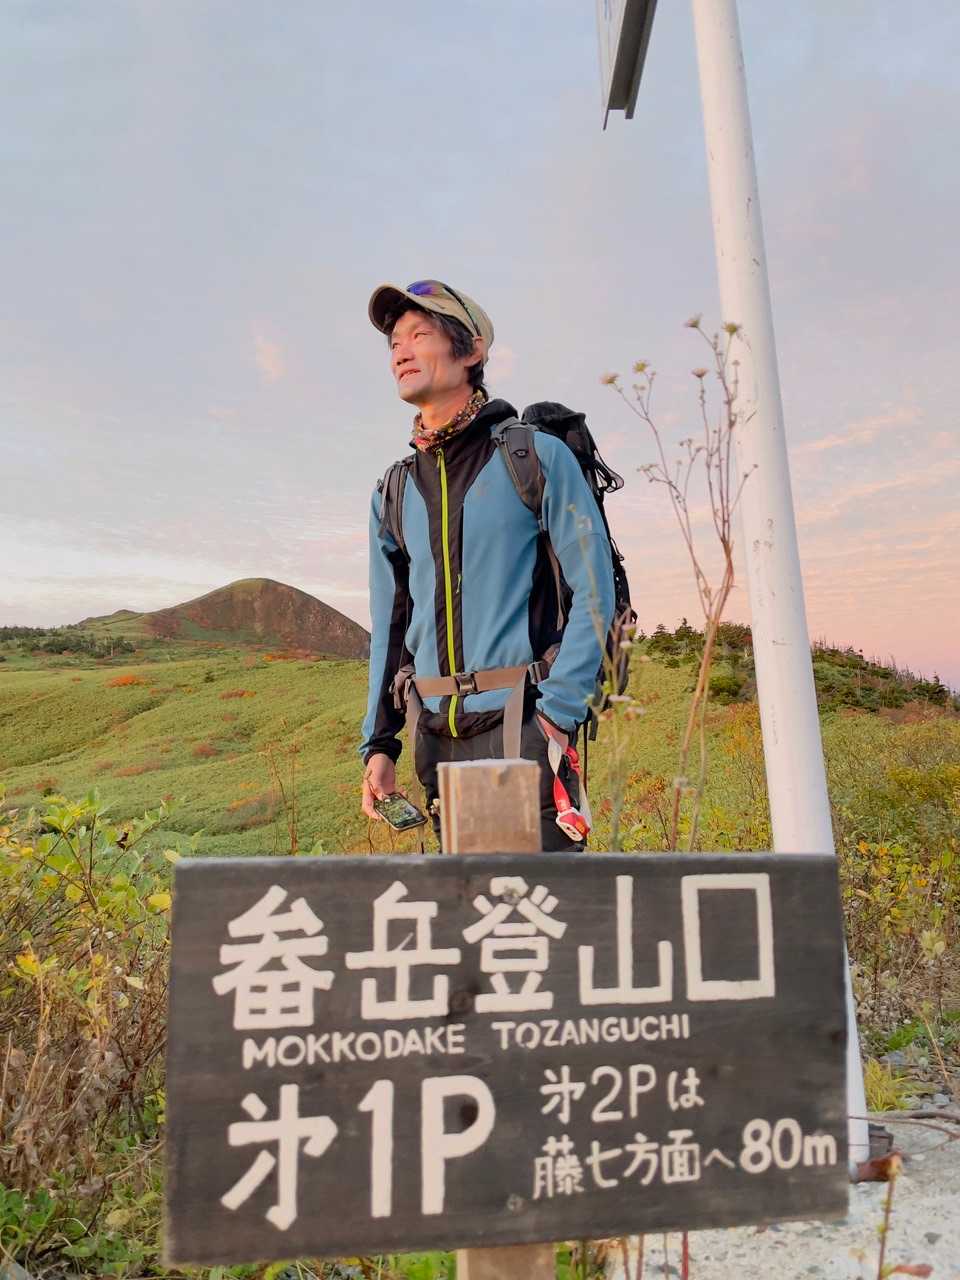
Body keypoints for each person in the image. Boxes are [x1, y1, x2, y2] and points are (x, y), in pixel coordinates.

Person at [359, 279, 615, 851]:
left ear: (471, 350)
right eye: (394, 342)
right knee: (468, 903)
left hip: (523, 724)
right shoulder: (393, 492)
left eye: (420, 334)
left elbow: (595, 593)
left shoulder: (532, 457)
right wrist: (379, 744)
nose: (401, 351)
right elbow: (391, 628)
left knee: (537, 903)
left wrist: (554, 717)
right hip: (435, 738)